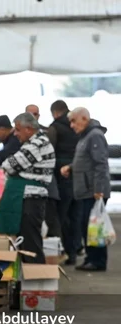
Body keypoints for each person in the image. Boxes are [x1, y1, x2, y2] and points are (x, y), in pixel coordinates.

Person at [0, 113, 55, 264]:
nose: (15, 134)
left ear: (28, 129)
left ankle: (36, 279)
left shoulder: (36, 144)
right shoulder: (35, 142)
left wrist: (14, 168)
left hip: (31, 200)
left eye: (17, 130)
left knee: (31, 243)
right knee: (27, 241)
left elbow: (8, 165)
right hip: (29, 198)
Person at [60, 107, 111, 272]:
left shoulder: (94, 135)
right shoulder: (85, 136)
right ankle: (91, 258)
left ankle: (97, 261)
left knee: (94, 227)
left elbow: (100, 164)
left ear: (84, 118)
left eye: (74, 121)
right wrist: (71, 167)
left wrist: (98, 190)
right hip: (86, 190)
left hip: (93, 191)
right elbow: (85, 160)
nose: (72, 126)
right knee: (86, 226)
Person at [48, 100, 81, 264]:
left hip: (62, 176)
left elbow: (49, 152)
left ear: (55, 112)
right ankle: (74, 251)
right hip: (78, 174)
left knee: (61, 216)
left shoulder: (54, 128)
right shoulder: (77, 126)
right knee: (75, 215)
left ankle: (62, 251)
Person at [26, 104, 61, 238]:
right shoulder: (20, 134)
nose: (32, 117)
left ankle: (56, 251)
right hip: (34, 187)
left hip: (46, 185)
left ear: (39, 116)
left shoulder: (45, 134)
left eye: (35, 114)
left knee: (51, 220)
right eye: (29, 114)